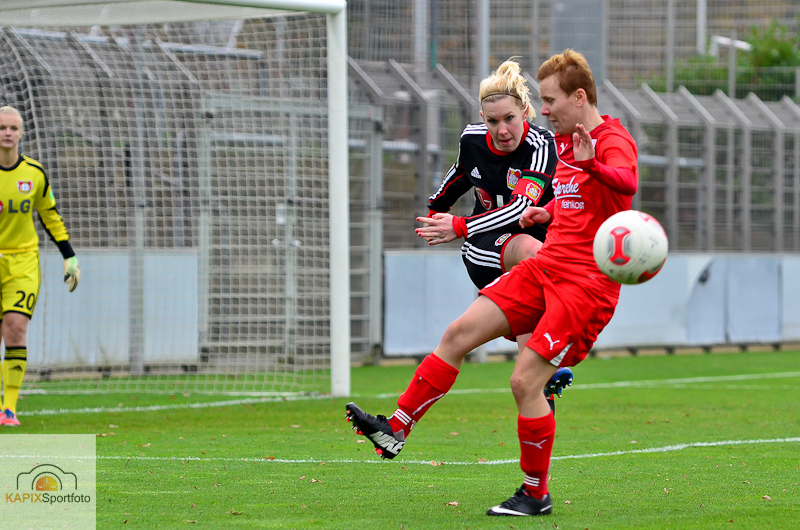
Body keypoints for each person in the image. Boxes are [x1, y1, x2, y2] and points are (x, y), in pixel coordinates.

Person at [346, 49, 638, 517]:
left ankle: (535, 493)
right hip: (546, 267)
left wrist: (592, 166)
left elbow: (625, 181)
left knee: (524, 382)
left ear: (579, 97)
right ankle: (395, 428)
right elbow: (577, 202)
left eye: (549, 101)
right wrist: (549, 213)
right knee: (458, 334)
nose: (544, 111)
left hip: (584, 286)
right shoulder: (564, 143)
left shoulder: (609, 139)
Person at [414, 58, 573, 407]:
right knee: (531, 254)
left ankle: (539, 381)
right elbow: (459, 174)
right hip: (484, 246)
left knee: (532, 280)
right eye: (493, 121)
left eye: (509, 119)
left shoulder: (542, 146)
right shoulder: (472, 139)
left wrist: (458, 225)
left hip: (527, 247)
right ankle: (548, 354)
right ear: (482, 119)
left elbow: (520, 209)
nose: (502, 130)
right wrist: (436, 209)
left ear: (525, 112)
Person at [0, 105, 80, 427]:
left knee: (15, 328)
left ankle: (8, 409)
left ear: (21, 133)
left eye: (13, 128)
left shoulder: (34, 173)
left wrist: (69, 256)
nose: (7, 133)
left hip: (23, 261)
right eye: (2, 128)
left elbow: (50, 215)